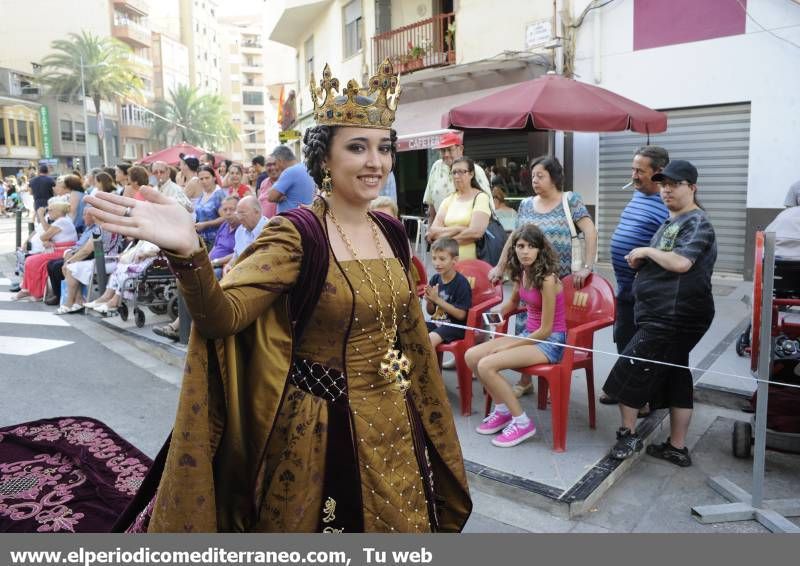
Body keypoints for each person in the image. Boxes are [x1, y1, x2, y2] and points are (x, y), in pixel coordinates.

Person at [85, 60, 470, 532]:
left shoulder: (390, 230)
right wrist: (189, 253)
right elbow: (222, 318)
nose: (376, 163)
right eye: (357, 148)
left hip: (394, 422)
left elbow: (407, 327)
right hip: (321, 435)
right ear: (324, 160)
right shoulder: (296, 234)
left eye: (384, 148)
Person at [603, 160, 717, 467]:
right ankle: (676, 447)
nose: (666, 189)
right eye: (663, 184)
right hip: (663, 312)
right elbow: (669, 261)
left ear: (691, 187)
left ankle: (628, 435)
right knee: (676, 373)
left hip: (674, 316)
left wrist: (645, 251)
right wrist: (645, 262)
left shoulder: (697, 223)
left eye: (674, 184)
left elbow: (681, 263)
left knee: (631, 367)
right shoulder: (674, 221)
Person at [488, 156, 597, 398]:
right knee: (527, 324)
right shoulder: (526, 204)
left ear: (554, 177)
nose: (534, 180)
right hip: (529, 277)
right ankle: (526, 379)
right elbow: (515, 237)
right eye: (533, 175)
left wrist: (587, 267)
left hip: (561, 278)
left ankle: (551, 374)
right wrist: (500, 265)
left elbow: (590, 230)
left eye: (541, 175)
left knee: (553, 328)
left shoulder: (570, 200)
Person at [465, 224, 567, 448]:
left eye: (531, 246)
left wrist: (508, 346)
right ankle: (502, 410)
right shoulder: (523, 272)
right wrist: (496, 312)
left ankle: (522, 423)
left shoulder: (548, 279)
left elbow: (546, 330)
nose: (525, 251)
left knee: (487, 365)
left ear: (540, 249)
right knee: (472, 356)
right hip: (530, 334)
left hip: (549, 341)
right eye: (521, 246)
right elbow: (512, 303)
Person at [600, 146, 670, 406]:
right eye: (633, 169)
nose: (634, 175)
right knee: (624, 338)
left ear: (659, 172)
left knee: (642, 346)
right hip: (626, 288)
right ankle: (621, 387)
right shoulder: (638, 194)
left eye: (640, 171)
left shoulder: (667, 202)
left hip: (648, 293)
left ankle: (641, 399)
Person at [426, 157, 491, 260]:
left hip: (472, 264)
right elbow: (433, 231)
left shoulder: (481, 198)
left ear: (471, 174)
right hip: (448, 267)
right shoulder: (448, 200)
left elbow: (476, 232)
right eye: (453, 172)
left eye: (461, 172)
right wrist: (460, 228)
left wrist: (446, 243)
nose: (456, 176)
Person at [14, 199, 77, 301]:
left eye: (50, 210)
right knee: (31, 260)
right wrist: (49, 240)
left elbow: (44, 236)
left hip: (63, 252)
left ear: (58, 211)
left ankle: (32, 291)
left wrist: (41, 217)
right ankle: (28, 289)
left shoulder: (62, 221)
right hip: (60, 250)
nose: (48, 212)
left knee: (32, 261)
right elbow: (49, 235)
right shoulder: (63, 220)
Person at [422, 132, 492, 224]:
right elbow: (431, 203)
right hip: (440, 230)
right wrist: (430, 229)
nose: (446, 154)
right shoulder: (436, 167)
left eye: (450, 149)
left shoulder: (475, 170)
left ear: (461, 149)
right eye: (443, 150)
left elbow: (488, 205)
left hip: (467, 229)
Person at [424, 237, 471, 349]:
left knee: (429, 340)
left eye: (442, 259)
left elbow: (461, 315)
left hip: (456, 326)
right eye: (434, 258)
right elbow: (430, 312)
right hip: (437, 321)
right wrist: (430, 301)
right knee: (412, 333)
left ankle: (430, 366)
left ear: (454, 260)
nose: (437, 263)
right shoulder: (435, 279)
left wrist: (437, 300)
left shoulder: (461, 283)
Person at [223, 195, 267, 276]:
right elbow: (236, 255)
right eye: (237, 214)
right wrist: (229, 266)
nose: (239, 218)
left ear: (257, 212)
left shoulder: (269, 230)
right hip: (239, 274)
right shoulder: (240, 230)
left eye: (242, 213)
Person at [266, 145, 316, 213]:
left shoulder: (289, 172)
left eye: (276, 163)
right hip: (304, 217)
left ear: (280, 161)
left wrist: (278, 196)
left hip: (291, 220)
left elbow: (270, 197)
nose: (276, 167)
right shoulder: (305, 168)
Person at [193, 164, 226, 249]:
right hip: (201, 240)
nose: (204, 181)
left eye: (207, 178)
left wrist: (206, 224)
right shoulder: (202, 194)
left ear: (214, 178)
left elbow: (225, 218)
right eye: (201, 179)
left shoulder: (219, 194)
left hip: (215, 240)